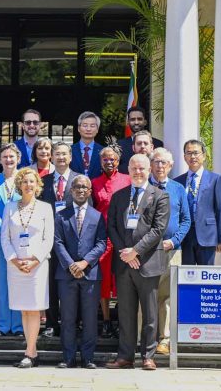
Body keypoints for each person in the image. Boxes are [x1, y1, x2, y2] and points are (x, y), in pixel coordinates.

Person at [106, 154, 169, 371]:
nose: (138, 172)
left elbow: (158, 230)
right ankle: (125, 356)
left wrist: (135, 252)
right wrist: (125, 254)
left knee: (150, 313)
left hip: (147, 263)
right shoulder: (119, 196)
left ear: (149, 170)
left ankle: (148, 356)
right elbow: (112, 227)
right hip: (124, 264)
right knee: (125, 313)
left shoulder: (160, 196)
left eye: (142, 168)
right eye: (134, 168)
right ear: (129, 170)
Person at [0, 167, 54, 369]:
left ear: (37, 184)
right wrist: (14, 260)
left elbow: (48, 239)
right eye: (24, 181)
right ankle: (32, 351)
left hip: (37, 266)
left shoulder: (45, 208)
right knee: (24, 310)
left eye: (32, 181)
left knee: (34, 308)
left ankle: (29, 352)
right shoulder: (10, 207)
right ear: (19, 185)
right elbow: (5, 237)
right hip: (16, 266)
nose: (28, 185)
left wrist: (35, 260)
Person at [52, 174, 107, 369]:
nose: (81, 190)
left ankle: (88, 358)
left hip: (90, 274)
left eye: (85, 187)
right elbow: (57, 242)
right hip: (66, 275)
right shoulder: (61, 215)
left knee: (90, 318)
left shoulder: (97, 216)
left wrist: (85, 263)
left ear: (90, 191)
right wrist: (71, 265)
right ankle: (68, 357)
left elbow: (101, 243)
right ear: (71, 191)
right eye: (77, 187)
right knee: (67, 318)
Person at [150, 147, 191, 355]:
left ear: (171, 166)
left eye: (164, 162)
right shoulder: (144, 186)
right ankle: (145, 338)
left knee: (167, 296)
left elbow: (186, 220)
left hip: (171, 250)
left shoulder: (178, 189)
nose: (160, 166)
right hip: (147, 251)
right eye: (156, 162)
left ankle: (164, 339)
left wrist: (174, 241)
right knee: (147, 295)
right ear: (150, 164)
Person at [91, 144, 131, 338]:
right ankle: (106, 320)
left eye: (112, 159)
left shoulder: (127, 180)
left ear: (118, 160)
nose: (109, 162)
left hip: (123, 237)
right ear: (100, 161)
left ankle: (123, 320)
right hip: (103, 237)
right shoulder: (94, 183)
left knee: (122, 279)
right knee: (104, 280)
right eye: (105, 159)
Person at [0, 143, 23, 337]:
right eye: (5, 157)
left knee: (18, 283)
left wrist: (15, 228)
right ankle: (1, 325)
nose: (8, 160)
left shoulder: (25, 179)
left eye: (11, 157)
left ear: (18, 158)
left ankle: (18, 325)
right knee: (0, 284)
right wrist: (3, 227)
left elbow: (29, 205)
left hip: (20, 240)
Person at [39, 140, 75, 337]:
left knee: (72, 283)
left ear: (70, 157)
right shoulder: (43, 181)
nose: (61, 157)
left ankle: (72, 323)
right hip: (49, 240)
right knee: (51, 283)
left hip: (73, 241)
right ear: (51, 157)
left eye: (64, 154)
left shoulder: (80, 180)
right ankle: (52, 323)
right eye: (57, 154)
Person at [174, 139, 221, 266]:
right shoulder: (177, 181)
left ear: (203, 156)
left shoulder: (215, 179)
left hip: (207, 235)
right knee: (187, 274)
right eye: (189, 153)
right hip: (185, 236)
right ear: (184, 157)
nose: (192, 156)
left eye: (196, 153)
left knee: (206, 274)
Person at [115, 106, 163, 173]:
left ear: (145, 122)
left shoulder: (157, 144)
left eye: (139, 119)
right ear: (128, 122)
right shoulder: (119, 145)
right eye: (133, 119)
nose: (136, 122)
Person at [71, 111, 103, 177]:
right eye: (85, 125)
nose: (88, 129)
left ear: (97, 129)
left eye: (92, 126)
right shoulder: (70, 150)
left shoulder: (103, 151)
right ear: (78, 128)